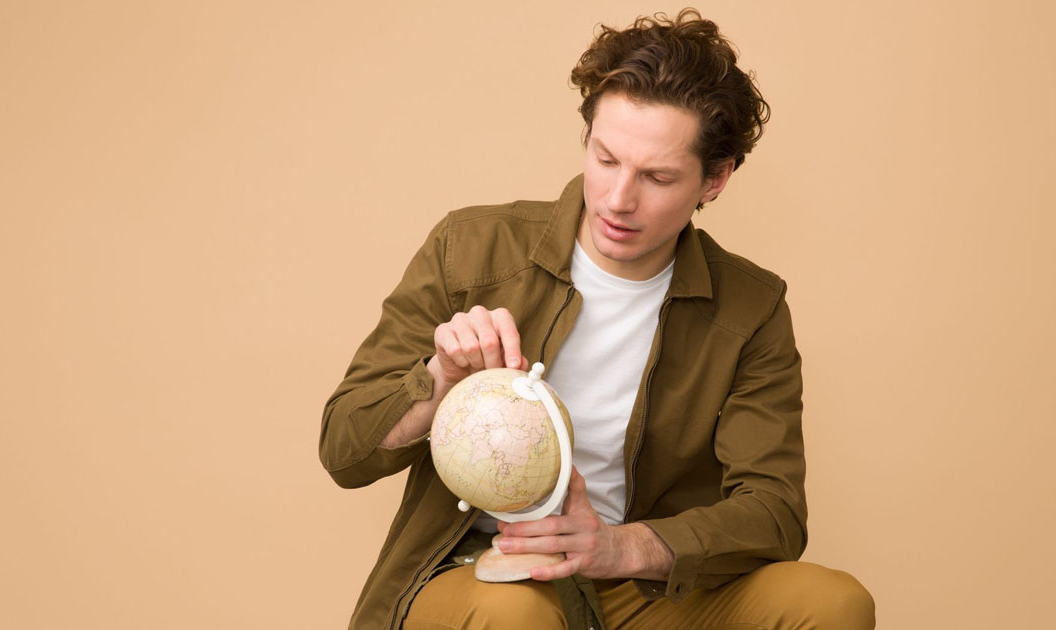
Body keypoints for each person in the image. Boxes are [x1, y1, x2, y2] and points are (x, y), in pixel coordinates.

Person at [320, 9, 875, 630]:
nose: (617, 199)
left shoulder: (753, 309)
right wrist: (438, 381)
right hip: (480, 571)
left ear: (714, 180)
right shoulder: (471, 249)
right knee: (514, 619)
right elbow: (343, 450)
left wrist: (620, 547)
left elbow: (775, 512)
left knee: (832, 603)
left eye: (657, 176)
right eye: (606, 159)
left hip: (638, 582)